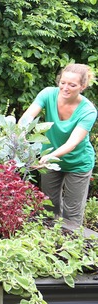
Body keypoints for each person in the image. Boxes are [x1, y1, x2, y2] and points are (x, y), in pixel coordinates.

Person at [20, 63, 97, 230]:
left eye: (72, 85)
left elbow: (73, 142)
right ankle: (48, 245)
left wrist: (49, 157)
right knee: (48, 206)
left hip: (78, 163)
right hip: (50, 160)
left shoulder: (88, 111)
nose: (65, 88)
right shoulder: (48, 94)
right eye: (63, 82)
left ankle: (70, 249)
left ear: (82, 86)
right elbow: (27, 117)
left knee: (72, 214)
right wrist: (20, 135)